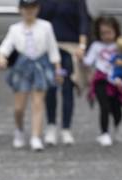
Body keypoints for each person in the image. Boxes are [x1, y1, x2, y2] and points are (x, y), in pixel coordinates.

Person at [0, 0, 62, 152]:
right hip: (23, 65)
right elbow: (5, 47)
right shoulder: (15, 29)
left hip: (40, 64)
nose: (29, 11)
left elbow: (53, 49)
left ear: (37, 9)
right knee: (19, 107)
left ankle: (36, 136)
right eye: (26, 8)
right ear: (20, 10)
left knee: (38, 103)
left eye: (32, 8)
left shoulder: (46, 26)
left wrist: (57, 69)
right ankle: (19, 130)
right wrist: (1, 57)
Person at [38, 0, 90, 146]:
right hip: (48, 49)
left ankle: (66, 128)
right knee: (51, 87)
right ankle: (51, 126)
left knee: (67, 88)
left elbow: (83, 21)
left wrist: (82, 45)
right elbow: (37, 19)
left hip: (69, 48)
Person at [83, 15, 122, 147]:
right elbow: (88, 61)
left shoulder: (119, 45)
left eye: (109, 33)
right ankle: (104, 133)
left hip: (116, 81)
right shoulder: (96, 46)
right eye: (103, 33)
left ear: (116, 31)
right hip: (101, 80)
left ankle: (117, 126)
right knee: (104, 106)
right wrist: (81, 58)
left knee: (117, 108)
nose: (106, 36)